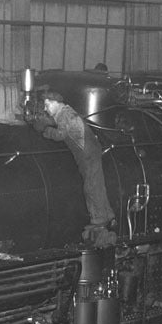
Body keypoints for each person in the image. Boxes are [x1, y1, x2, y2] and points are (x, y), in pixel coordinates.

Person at [33, 90, 115, 247]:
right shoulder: (65, 112)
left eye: (48, 104)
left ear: (56, 103)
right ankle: (108, 214)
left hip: (87, 153)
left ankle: (98, 220)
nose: (46, 108)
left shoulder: (65, 115)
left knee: (91, 187)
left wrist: (45, 131)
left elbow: (60, 135)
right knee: (97, 185)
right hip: (88, 152)